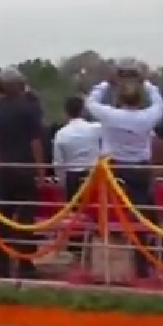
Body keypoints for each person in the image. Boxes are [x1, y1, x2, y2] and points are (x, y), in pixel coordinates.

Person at [85, 64, 163, 281]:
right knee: (145, 217)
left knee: (125, 215)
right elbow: (160, 103)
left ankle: (136, 261)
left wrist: (106, 83)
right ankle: (148, 260)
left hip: (117, 170)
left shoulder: (110, 115)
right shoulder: (147, 117)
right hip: (140, 169)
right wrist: (147, 82)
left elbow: (91, 102)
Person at [0, 67, 47, 280]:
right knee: (25, 219)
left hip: (3, 169)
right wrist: (40, 170)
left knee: (2, 217)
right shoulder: (30, 108)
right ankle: (25, 263)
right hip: (25, 167)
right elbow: (35, 141)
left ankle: (0, 263)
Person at [51, 94, 104, 263]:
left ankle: (77, 250)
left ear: (66, 112)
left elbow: (58, 163)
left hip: (72, 176)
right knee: (94, 211)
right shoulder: (95, 128)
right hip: (93, 175)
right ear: (82, 110)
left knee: (74, 215)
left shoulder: (61, 134)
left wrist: (62, 181)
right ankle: (94, 245)